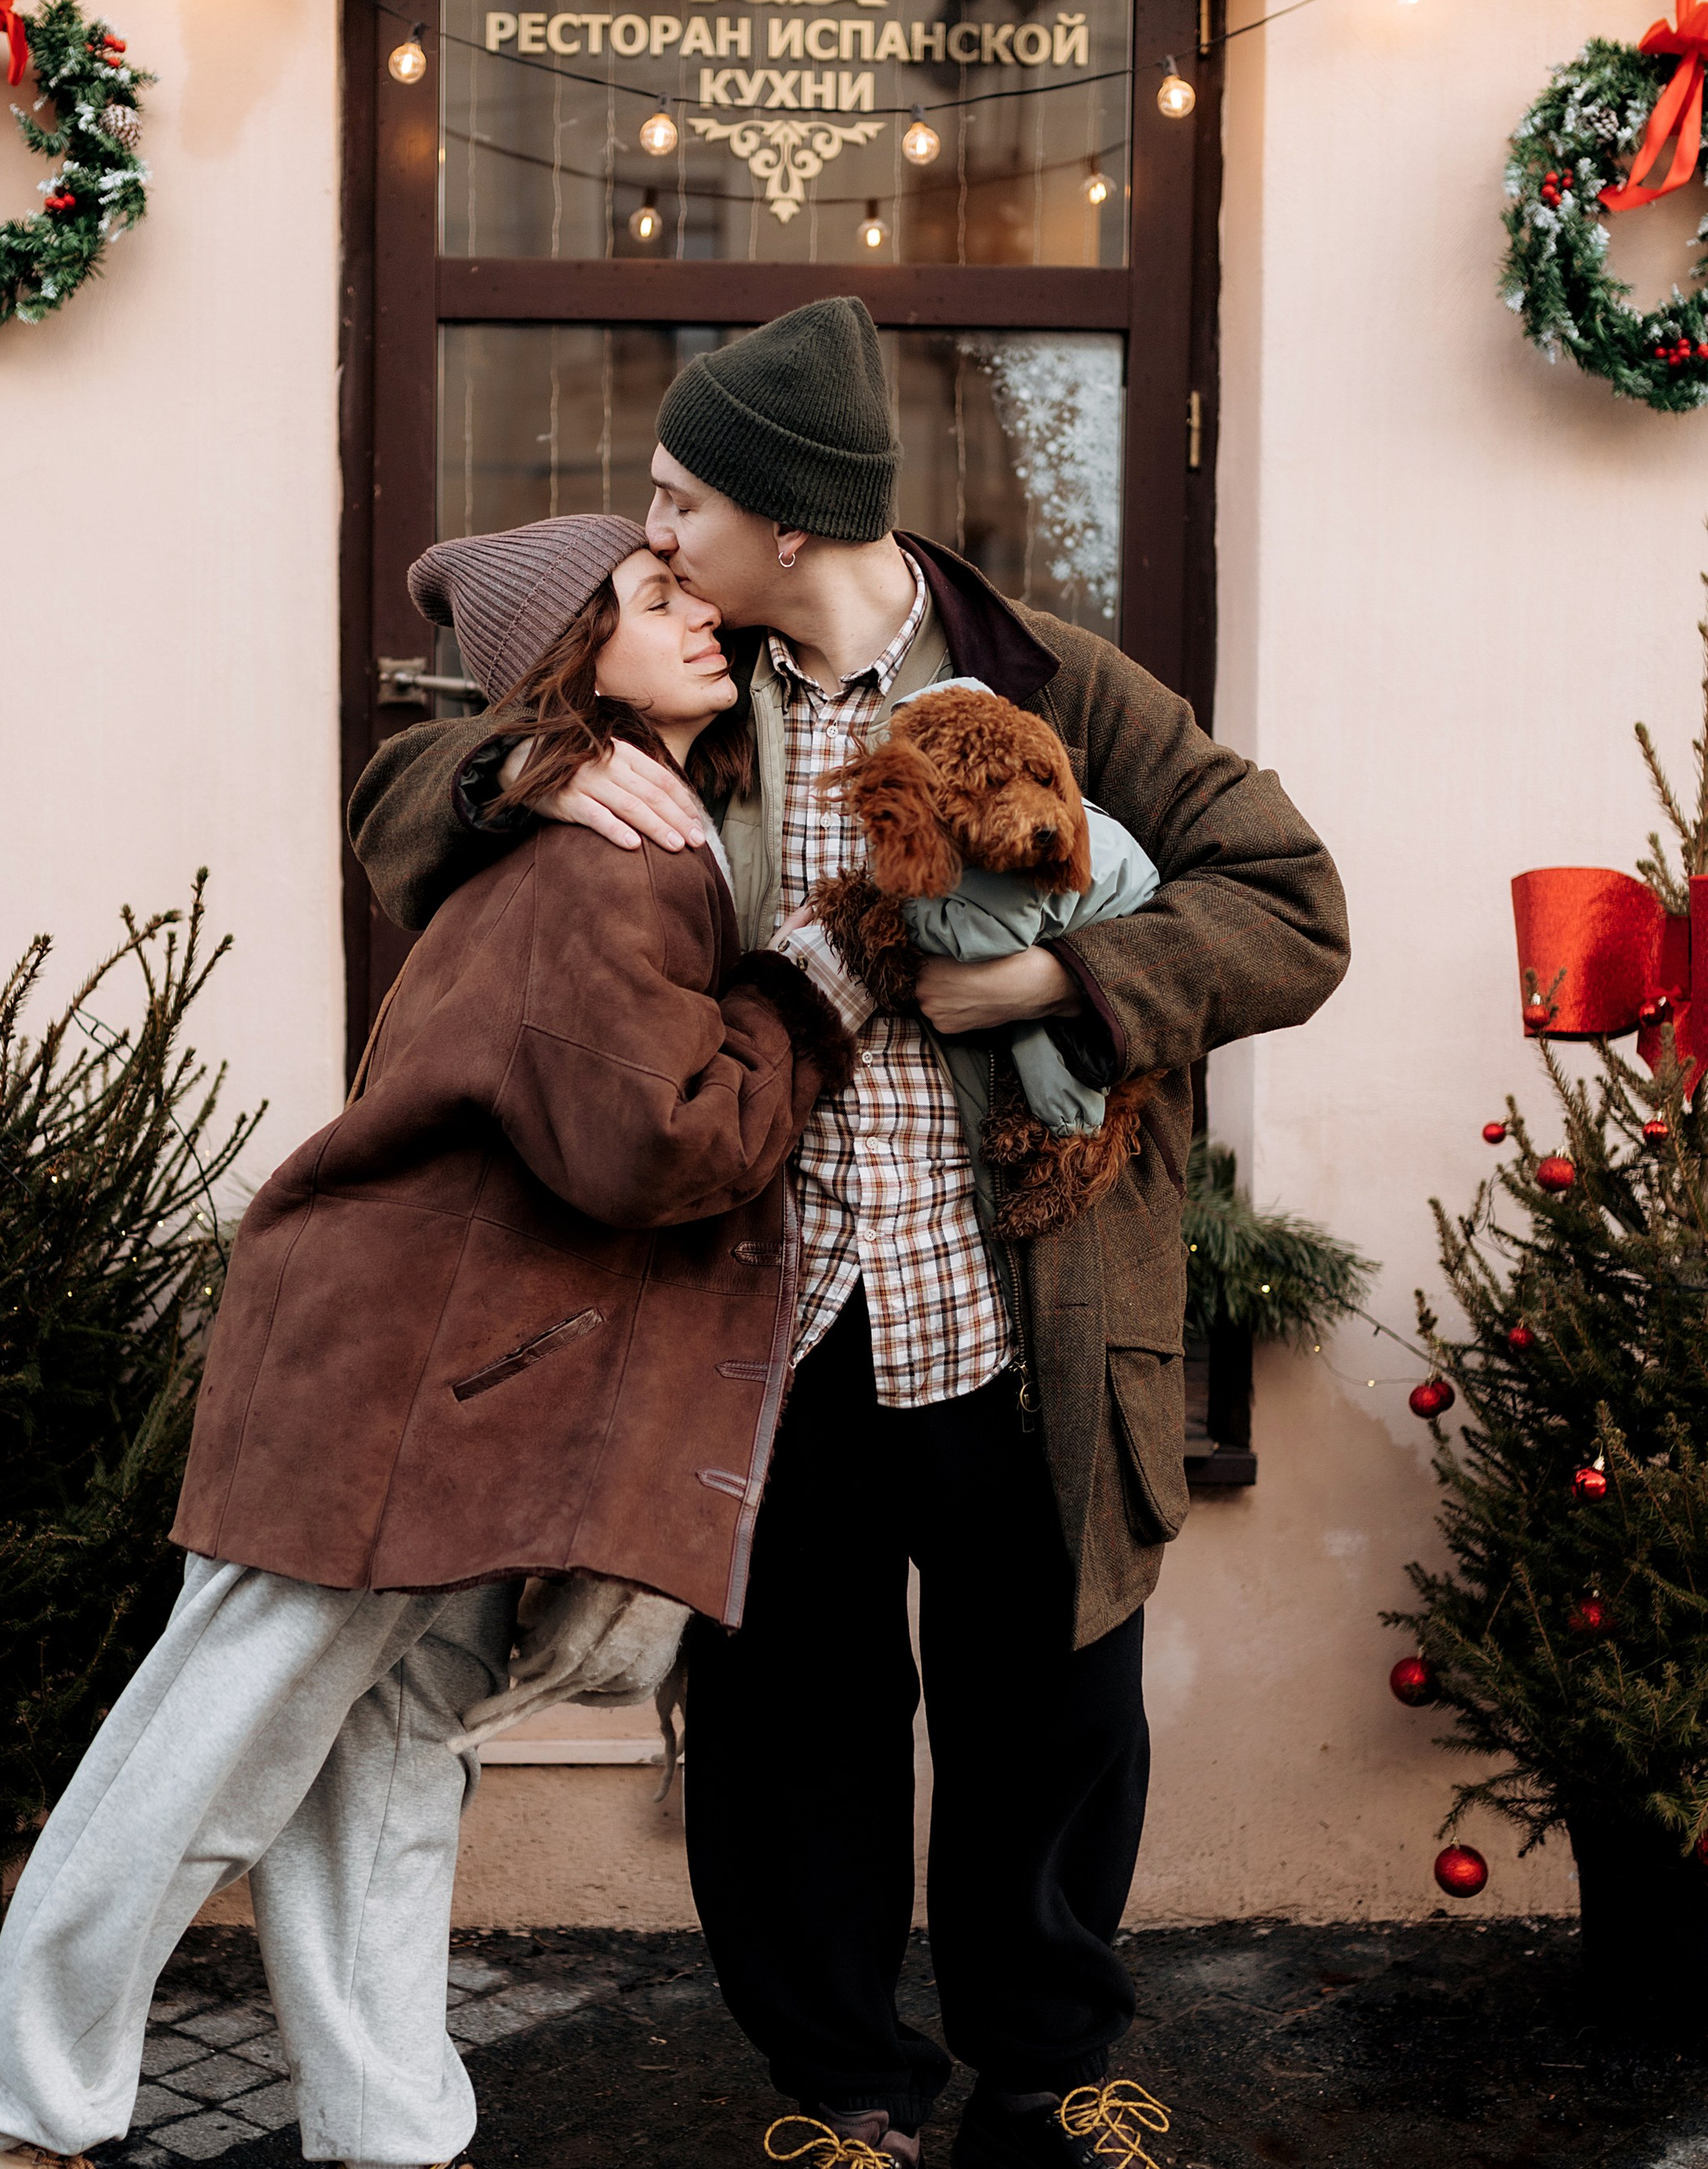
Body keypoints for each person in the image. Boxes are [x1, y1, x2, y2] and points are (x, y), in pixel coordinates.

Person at [349, 298, 1351, 2169]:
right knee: (778, 1732)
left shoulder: (1048, 680)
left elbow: (1288, 903)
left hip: (1012, 1306)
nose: (647, 538)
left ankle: (1050, 2074)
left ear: (787, 517)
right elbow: (397, 806)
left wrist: (1063, 973)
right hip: (758, 1320)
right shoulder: (663, 679)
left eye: (676, 501)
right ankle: (838, 2094)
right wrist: (521, 768)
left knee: (1048, 1710)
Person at [0, 514, 854, 2169]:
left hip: (446, 1371)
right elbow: (653, 1144)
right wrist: (798, 1006)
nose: (697, 612)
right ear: (568, 657)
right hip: (398, 1375)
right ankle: (14, 2108)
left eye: (695, 588)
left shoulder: (637, 825)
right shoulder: (601, 854)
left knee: (383, 1767)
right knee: (208, 1746)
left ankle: (390, 2129)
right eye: (648, 597)